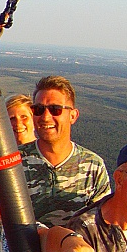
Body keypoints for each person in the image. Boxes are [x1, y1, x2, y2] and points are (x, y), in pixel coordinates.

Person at [20, 76, 110, 226]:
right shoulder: (14, 162)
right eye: (38, 109)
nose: (45, 117)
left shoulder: (93, 167)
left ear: (73, 116)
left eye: (55, 110)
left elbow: (101, 225)